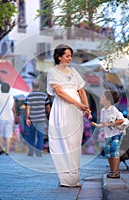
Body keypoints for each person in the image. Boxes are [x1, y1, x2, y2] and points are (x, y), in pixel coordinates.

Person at [47, 44, 91, 188]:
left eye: (70, 55)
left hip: (76, 110)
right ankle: (66, 179)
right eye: (67, 56)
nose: (69, 58)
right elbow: (59, 92)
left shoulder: (73, 71)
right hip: (63, 108)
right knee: (63, 141)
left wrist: (86, 107)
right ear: (59, 57)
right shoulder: (53, 72)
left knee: (74, 142)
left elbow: (81, 90)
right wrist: (78, 104)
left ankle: (74, 177)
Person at [91, 90, 126, 179]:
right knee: (108, 153)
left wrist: (111, 123)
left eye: (103, 97)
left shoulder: (114, 109)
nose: (101, 98)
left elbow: (122, 120)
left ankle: (116, 172)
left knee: (115, 151)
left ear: (108, 100)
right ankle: (112, 171)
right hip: (107, 135)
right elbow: (103, 123)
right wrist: (97, 125)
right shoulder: (103, 111)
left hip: (116, 134)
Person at [26, 81, 51, 157]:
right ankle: (38, 152)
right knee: (41, 136)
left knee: (31, 136)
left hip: (32, 119)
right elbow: (48, 107)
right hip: (41, 119)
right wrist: (48, 114)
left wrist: (27, 118)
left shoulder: (29, 96)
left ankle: (31, 152)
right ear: (39, 87)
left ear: (32, 87)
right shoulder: (44, 96)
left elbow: (28, 108)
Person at [0, 82, 16, 155]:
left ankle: (1, 149)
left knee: (0, 134)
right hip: (10, 117)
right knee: (8, 134)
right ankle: (7, 151)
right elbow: (13, 109)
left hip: (1, 117)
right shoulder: (11, 97)